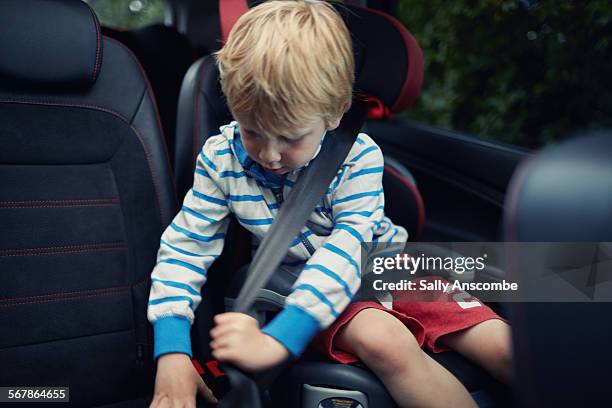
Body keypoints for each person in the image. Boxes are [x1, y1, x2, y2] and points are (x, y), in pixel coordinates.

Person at [148, 1, 511, 407]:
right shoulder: (221, 159)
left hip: (379, 266)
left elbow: (348, 248)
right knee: (386, 340)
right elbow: (185, 248)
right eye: (252, 131)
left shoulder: (358, 158)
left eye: (289, 138)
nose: (268, 155)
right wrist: (173, 350)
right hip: (292, 287)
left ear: (336, 113)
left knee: (503, 346)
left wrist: (279, 342)